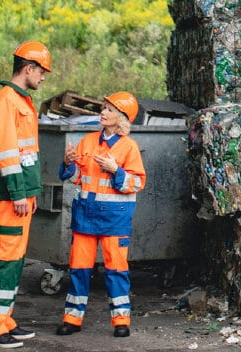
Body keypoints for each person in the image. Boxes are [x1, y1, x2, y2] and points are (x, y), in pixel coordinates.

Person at [55, 91, 146, 338]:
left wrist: (116, 170)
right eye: (103, 108)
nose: (103, 113)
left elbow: (137, 183)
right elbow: (76, 178)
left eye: (109, 109)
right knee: (79, 269)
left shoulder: (129, 147)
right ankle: (72, 319)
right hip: (85, 217)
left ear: (122, 118)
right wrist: (68, 163)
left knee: (116, 270)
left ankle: (121, 320)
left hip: (115, 220)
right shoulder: (87, 141)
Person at [0, 41, 51, 349]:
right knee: (4, 258)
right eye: (42, 71)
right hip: (11, 195)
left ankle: (4, 320)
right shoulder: (7, 101)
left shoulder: (19, 100)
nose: (44, 78)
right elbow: (7, 152)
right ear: (29, 68)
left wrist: (28, 194)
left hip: (19, 195)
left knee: (14, 259)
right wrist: (19, 192)